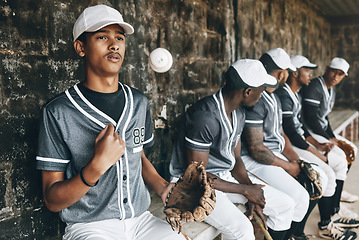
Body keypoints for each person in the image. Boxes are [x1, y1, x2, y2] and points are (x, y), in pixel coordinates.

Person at [36, 5, 186, 240]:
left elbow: (140, 157)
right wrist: (96, 166)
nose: (114, 44)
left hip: (141, 220)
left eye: (119, 37)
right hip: (90, 227)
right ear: (81, 47)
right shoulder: (58, 112)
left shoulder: (138, 102)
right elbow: (52, 200)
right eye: (102, 37)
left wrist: (163, 187)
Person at [170, 59, 299, 240]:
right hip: (192, 187)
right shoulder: (205, 117)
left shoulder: (239, 112)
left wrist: (250, 189)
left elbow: (236, 158)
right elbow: (198, 176)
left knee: (285, 204)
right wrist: (244, 191)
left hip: (223, 179)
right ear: (247, 92)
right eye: (261, 90)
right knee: (243, 230)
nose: (262, 95)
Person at [276, 55, 359, 239]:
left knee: (341, 159)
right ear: (295, 73)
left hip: (298, 140)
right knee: (328, 171)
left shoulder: (294, 93)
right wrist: (316, 150)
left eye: (341, 74)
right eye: (307, 70)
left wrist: (319, 144)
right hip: (287, 146)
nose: (311, 74)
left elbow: (300, 127)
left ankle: (331, 214)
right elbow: (292, 131)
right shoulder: (285, 95)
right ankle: (325, 222)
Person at [240, 48, 313, 240]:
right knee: (294, 199)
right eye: (287, 72)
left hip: (271, 156)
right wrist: (289, 166)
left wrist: (296, 161)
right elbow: (255, 149)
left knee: (305, 191)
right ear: (282, 74)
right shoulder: (256, 96)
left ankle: (292, 236)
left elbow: (282, 135)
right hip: (252, 161)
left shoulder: (273, 96)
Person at [301, 57, 359, 237]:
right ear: (327, 68)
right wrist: (329, 139)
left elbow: (324, 119)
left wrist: (333, 137)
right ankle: (334, 205)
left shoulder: (330, 90)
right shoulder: (315, 86)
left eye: (341, 74)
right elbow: (311, 118)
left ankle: (336, 197)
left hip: (318, 131)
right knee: (340, 157)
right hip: (309, 132)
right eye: (334, 71)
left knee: (351, 150)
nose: (336, 76)